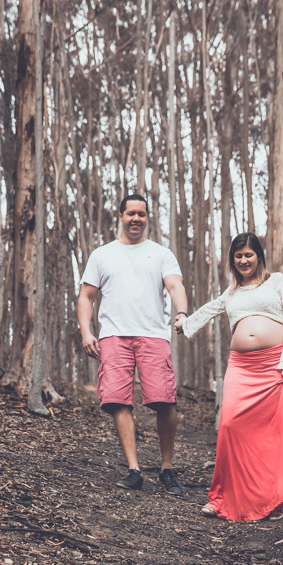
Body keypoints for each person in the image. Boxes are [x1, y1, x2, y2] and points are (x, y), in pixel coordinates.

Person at [174, 232, 283, 521]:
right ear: (233, 260)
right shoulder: (232, 291)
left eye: (249, 254)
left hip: (273, 366)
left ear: (259, 256)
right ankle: (221, 498)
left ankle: (270, 500)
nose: (244, 260)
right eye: (238, 255)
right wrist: (186, 322)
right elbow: (211, 309)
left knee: (270, 436)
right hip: (241, 367)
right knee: (230, 427)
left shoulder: (279, 282)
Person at [77, 194, 190, 494]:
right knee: (117, 400)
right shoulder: (102, 255)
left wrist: (182, 313)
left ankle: (167, 468)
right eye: (131, 214)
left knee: (165, 400)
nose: (136, 219)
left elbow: (175, 285)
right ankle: (134, 469)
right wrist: (87, 332)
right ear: (121, 216)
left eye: (141, 214)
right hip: (114, 335)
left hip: (153, 335)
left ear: (147, 217)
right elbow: (86, 296)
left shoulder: (161, 253)